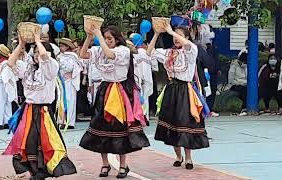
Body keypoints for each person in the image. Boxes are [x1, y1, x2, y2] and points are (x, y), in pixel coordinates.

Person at [2, 30, 76, 179]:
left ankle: (42, 171)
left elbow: (44, 57)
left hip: (44, 111)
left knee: (44, 142)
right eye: (34, 52)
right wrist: (22, 44)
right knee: (27, 141)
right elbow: (11, 63)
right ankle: (33, 171)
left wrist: (38, 41)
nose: (37, 54)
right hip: (29, 110)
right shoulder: (28, 68)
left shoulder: (51, 67)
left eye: (39, 51)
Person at [79, 25, 150, 178]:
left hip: (119, 91)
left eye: (110, 38)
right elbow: (83, 54)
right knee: (101, 127)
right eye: (105, 39)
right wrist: (90, 37)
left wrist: (98, 33)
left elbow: (110, 55)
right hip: (105, 90)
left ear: (117, 39)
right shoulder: (100, 50)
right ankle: (105, 164)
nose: (107, 41)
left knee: (120, 128)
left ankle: (123, 165)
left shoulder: (123, 51)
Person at [147, 23, 209, 170]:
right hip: (171, 89)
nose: (176, 39)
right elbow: (149, 52)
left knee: (185, 122)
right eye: (175, 36)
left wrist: (171, 32)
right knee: (172, 122)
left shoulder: (190, 50)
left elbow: (187, 45)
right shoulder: (169, 53)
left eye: (180, 35)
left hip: (185, 90)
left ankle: (188, 158)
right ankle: (178, 156)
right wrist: (157, 34)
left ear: (186, 37)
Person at [56, 38, 82, 129]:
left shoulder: (72, 56)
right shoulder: (59, 56)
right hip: (61, 80)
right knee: (61, 100)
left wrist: (72, 73)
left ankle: (70, 122)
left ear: (67, 47)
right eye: (60, 46)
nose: (60, 47)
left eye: (62, 46)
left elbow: (74, 67)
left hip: (69, 81)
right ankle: (61, 120)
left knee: (70, 100)